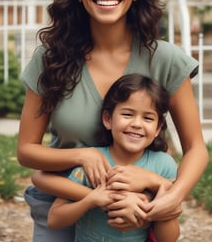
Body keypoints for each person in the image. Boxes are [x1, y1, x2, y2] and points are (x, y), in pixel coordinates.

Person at [17, 0, 209, 241]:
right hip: (64, 205)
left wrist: (172, 196)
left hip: (136, 209)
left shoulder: (166, 59)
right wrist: (83, 156)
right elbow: (27, 151)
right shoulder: (50, 59)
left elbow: (196, 149)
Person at [33, 74, 179, 242]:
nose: (137, 124)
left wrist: (148, 209)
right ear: (108, 119)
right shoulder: (93, 163)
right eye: (127, 114)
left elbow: (169, 238)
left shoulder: (164, 166)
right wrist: (90, 200)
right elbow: (54, 219)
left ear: (157, 128)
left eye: (147, 118)